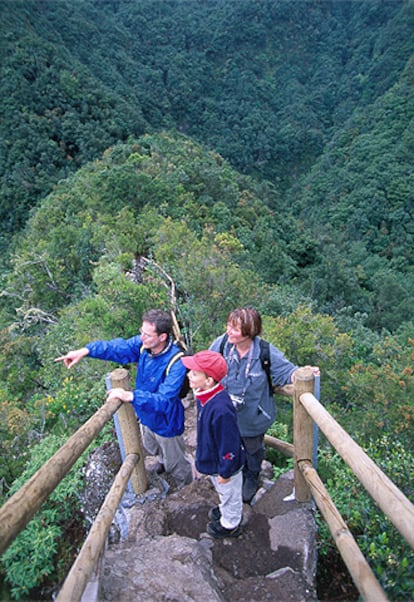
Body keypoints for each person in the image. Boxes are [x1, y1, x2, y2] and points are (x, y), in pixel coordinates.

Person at [55, 309, 193, 489]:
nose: (142, 337)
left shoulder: (176, 361)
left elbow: (164, 400)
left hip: (166, 421)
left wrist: (130, 396)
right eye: (141, 331)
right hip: (145, 415)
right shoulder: (145, 346)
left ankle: (187, 487)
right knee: (152, 446)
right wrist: (85, 351)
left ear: (162, 337)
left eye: (147, 334)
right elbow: (117, 348)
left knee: (176, 462)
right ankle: (163, 462)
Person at [210, 307, 299, 503]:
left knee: (252, 449)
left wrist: (302, 374)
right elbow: (208, 363)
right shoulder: (223, 344)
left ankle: (252, 476)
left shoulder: (265, 352)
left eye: (234, 328)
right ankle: (231, 472)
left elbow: (287, 372)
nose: (228, 331)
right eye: (228, 326)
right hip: (227, 415)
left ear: (249, 331)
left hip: (253, 418)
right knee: (227, 445)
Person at [181, 350, 245, 538]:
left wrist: (225, 472)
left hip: (226, 465)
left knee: (229, 493)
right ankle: (226, 510)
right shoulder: (205, 394)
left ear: (209, 380)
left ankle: (230, 524)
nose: (188, 375)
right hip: (215, 459)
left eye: (194, 373)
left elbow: (229, 445)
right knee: (224, 491)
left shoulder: (221, 409)